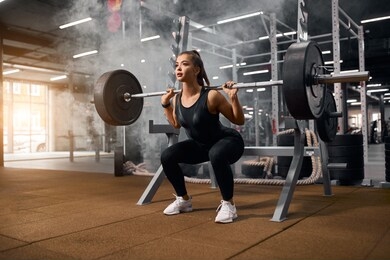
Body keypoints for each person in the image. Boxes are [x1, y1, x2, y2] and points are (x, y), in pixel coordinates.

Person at [160, 50, 245, 223]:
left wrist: (233, 98)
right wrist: (165, 104)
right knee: (167, 156)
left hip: (227, 141)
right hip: (202, 146)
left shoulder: (211, 95)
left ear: (196, 69)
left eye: (184, 64)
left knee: (216, 153)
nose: (178, 68)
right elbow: (176, 124)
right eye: (177, 65)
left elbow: (239, 120)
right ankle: (183, 200)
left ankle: (229, 204)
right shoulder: (176, 99)